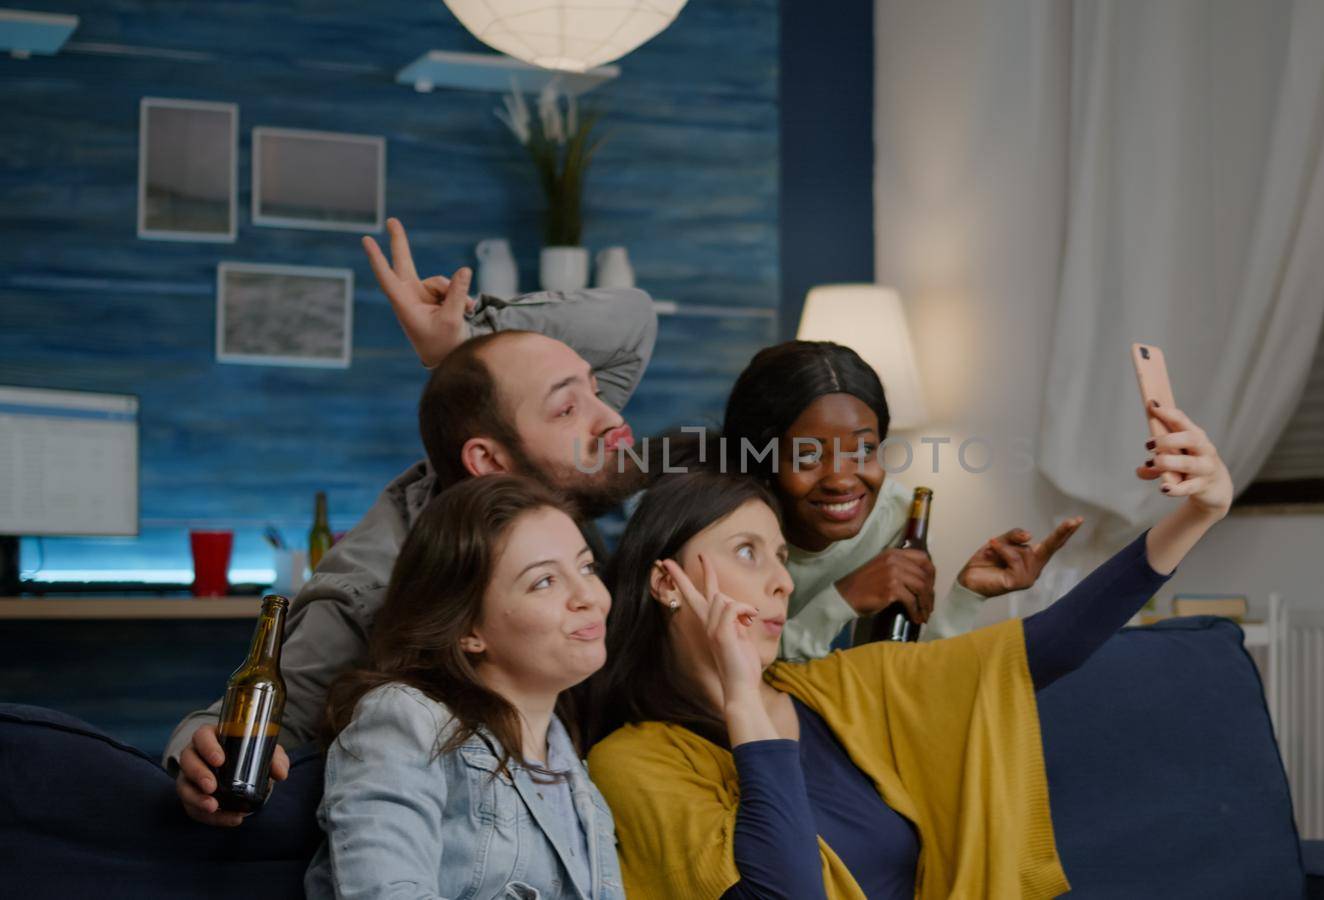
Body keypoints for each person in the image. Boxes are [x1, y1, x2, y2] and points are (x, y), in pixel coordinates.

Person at [585, 399, 1233, 897]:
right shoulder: (632, 763)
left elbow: (1045, 649)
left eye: (781, 557)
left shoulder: (837, 690)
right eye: (748, 553)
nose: (782, 580)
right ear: (668, 582)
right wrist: (744, 705)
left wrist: (1198, 515)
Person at [169, 218, 657, 827]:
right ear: (489, 461)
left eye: (593, 389)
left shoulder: (551, 457)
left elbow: (632, 319)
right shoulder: (375, 584)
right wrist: (197, 755)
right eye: (567, 405)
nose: (612, 416)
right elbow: (255, 723)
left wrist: (465, 337)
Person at [305, 474, 622, 900]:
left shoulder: (570, 765)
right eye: (544, 581)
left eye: (586, 567)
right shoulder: (405, 718)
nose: (589, 595)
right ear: (468, 629)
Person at [719, 340, 1078, 659]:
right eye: (808, 455)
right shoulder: (725, 525)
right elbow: (732, 662)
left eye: (864, 449)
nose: (842, 479)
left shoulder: (897, 520)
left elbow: (894, 680)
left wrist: (967, 596)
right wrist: (841, 600)